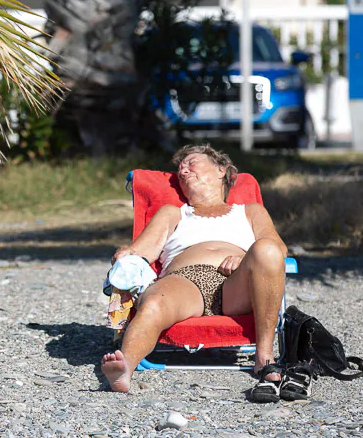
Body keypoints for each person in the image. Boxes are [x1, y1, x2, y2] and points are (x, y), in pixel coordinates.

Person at [101, 144, 287, 401]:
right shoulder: (173, 213)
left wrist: (245, 258)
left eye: (192, 163)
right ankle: (124, 368)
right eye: (180, 169)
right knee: (155, 302)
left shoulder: (250, 211)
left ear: (221, 170)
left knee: (267, 250)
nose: (183, 170)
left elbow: (278, 250)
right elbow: (140, 252)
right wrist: (125, 253)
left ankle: (264, 357)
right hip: (185, 282)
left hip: (240, 283)